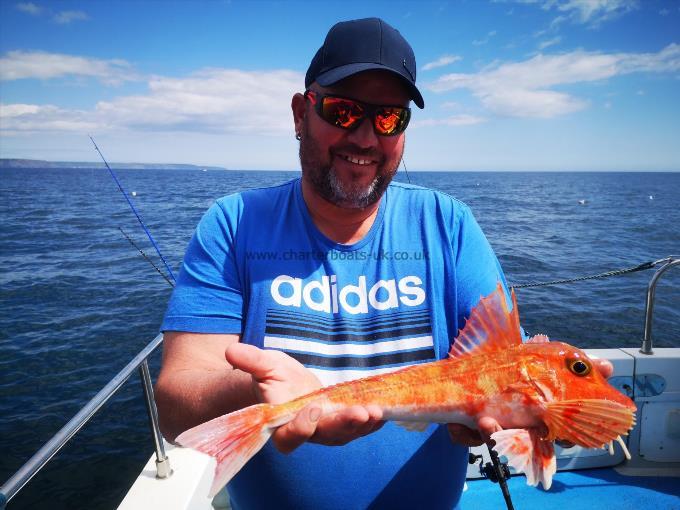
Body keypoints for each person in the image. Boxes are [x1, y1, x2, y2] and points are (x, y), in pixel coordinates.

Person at [155, 17, 611, 510]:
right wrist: (250, 389)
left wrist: (556, 413)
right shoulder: (235, 223)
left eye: (390, 118)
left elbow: (501, 358)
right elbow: (176, 399)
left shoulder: (448, 224)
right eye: (343, 110)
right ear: (299, 114)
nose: (367, 138)